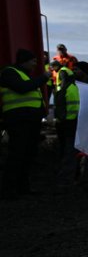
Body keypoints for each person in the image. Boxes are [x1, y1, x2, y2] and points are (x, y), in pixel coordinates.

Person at [0, 49, 51, 199]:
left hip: (29, 119)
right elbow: (22, 88)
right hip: (18, 119)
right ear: (25, 61)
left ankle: (23, 188)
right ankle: (9, 190)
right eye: (33, 61)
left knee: (28, 153)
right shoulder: (9, 72)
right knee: (17, 153)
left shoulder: (25, 75)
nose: (35, 64)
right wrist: (43, 78)